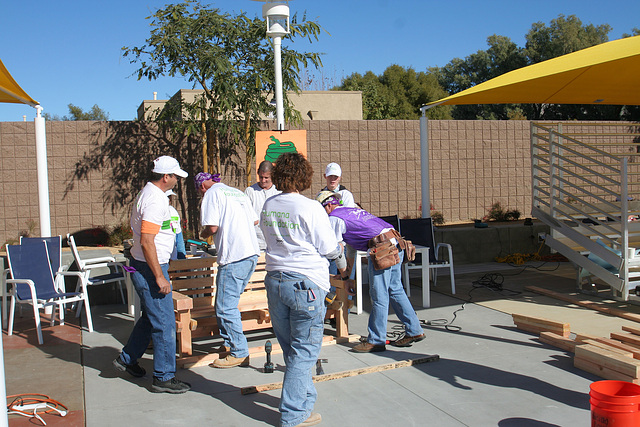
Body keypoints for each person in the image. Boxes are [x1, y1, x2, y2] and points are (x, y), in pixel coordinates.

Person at [260, 152, 346, 427]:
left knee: (292, 348)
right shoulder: (310, 208)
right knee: (304, 350)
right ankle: (294, 415)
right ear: (304, 176)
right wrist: (342, 261)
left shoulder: (269, 204)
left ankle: (304, 401)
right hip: (305, 284)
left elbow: (266, 238)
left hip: (275, 280)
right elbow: (329, 246)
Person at [114, 155, 191, 394]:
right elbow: (148, 241)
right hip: (150, 267)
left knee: (151, 317)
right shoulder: (156, 201)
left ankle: (127, 359)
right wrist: (159, 277)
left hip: (142, 264)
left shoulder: (146, 193)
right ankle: (164, 377)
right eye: (176, 176)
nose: (178, 180)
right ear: (166, 177)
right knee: (165, 322)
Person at [315, 190, 425, 353]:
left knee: (379, 295)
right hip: (396, 243)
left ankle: (376, 340)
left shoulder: (333, 219)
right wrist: (348, 275)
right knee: (395, 289)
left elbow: (338, 251)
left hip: (382, 249)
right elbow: (351, 249)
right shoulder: (353, 211)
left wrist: (345, 277)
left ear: (328, 206)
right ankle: (414, 330)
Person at [195, 172, 260, 368]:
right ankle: (233, 345)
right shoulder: (237, 193)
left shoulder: (211, 195)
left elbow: (212, 227)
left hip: (234, 257)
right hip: (251, 254)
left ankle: (238, 351)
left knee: (224, 306)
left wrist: (203, 233)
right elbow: (254, 221)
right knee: (229, 303)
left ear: (201, 187)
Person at [245, 160, 281, 250]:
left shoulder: (278, 191)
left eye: (266, 178)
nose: (263, 180)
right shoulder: (250, 191)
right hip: (256, 240)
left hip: (276, 239)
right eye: (261, 177)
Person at [165, 189, 187, 260]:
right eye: (167, 197)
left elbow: (178, 237)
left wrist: (182, 259)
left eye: (170, 197)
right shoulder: (152, 211)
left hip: (171, 259)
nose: (169, 200)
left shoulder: (172, 211)